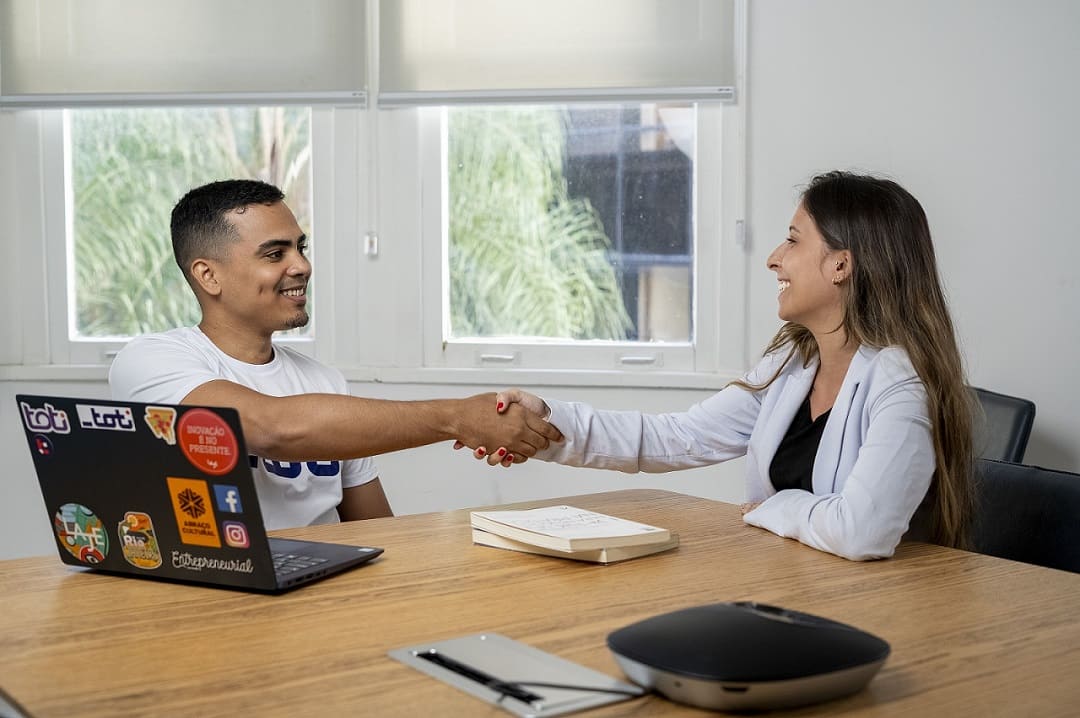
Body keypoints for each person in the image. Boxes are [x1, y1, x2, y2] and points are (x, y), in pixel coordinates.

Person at [470, 171, 974, 561]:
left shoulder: (900, 382)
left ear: (841, 265)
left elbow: (864, 531)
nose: (774, 258)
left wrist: (776, 508)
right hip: (795, 584)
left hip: (880, 610)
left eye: (794, 240)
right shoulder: (793, 364)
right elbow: (672, 438)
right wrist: (545, 419)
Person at [109, 179, 560, 530]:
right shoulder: (149, 362)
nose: (302, 266)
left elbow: (379, 531)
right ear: (208, 275)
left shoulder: (325, 384)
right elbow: (271, 428)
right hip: (216, 600)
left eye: (300, 248)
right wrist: (458, 416)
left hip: (325, 594)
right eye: (274, 253)